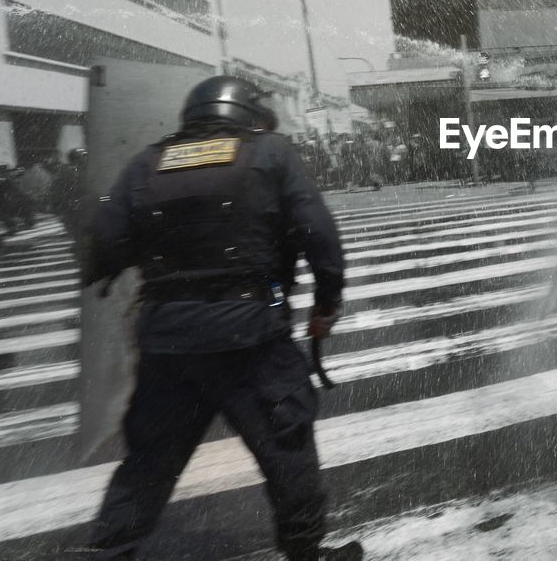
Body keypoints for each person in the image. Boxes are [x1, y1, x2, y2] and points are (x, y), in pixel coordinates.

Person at [83, 75, 360, 561]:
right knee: (287, 449)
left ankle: (110, 551)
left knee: (149, 462)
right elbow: (318, 232)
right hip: (250, 335)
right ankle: (304, 552)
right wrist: (327, 301)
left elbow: (101, 247)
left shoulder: (148, 162)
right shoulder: (270, 152)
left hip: (167, 341)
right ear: (249, 115)